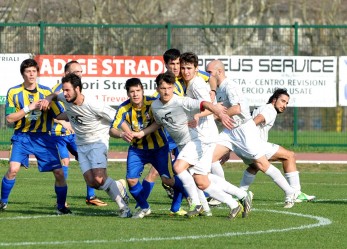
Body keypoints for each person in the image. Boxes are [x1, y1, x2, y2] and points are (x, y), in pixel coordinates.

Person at [135, 71, 252, 220]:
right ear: (157, 88)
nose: (166, 91)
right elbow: (158, 123)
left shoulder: (181, 101)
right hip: (184, 145)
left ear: (173, 88)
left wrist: (218, 110)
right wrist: (142, 133)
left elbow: (203, 104)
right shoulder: (156, 106)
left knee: (178, 168)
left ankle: (196, 204)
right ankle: (237, 201)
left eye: (169, 87)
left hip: (196, 141)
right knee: (202, 181)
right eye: (163, 88)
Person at [206, 59, 300, 209]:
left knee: (262, 165)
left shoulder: (230, 86)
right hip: (230, 131)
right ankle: (220, 194)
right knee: (208, 159)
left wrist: (217, 116)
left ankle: (290, 192)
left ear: (219, 72)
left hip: (244, 129)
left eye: (209, 72)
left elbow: (237, 109)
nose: (207, 75)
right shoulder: (219, 89)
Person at [41, 73, 131, 218]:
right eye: (64, 90)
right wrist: (48, 98)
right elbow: (55, 95)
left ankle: (124, 209)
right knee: (92, 182)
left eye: (67, 90)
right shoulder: (66, 97)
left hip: (97, 142)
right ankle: (118, 185)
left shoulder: (94, 104)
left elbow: (117, 117)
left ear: (77, 89)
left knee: (99, 179)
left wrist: (128, 133)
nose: (64, 93)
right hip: (81, 145)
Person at [109, 78, 188, 218]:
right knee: (131, 180)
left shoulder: (153, 103)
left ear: (143, 91)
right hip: (137, 149)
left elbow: (160, 122)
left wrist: (142, 132)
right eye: (132, 92)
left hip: (159, 148)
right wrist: (121, 134)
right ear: (128, 94)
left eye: (138, 91)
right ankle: (144, 207)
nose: (135, 94)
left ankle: (191, 197)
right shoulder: (123, 109)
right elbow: (112, 129)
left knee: (168, 181)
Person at [0, 58, 71, 215]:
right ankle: (2, 202)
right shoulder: (14, 92)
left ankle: (61, 206)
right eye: (28, 71)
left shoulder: (46, 93)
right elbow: (9, 119)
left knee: (59, 173)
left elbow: (60, 114)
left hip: (44, 138)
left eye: (33, 71)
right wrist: (28, 107)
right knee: (12, 169)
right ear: (23, 74)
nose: (31, 74)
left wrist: (75, 112)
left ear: (37, 73)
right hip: (22, 137)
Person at [238, 88, 316, 202]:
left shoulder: (261, 107)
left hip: (244, 147)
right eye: (283, 101)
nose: (285, 105)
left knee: (255, 166)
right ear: (274, 100)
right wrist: (248, 134)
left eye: (287, 103)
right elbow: (256, 120)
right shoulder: (270, 110)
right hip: (255, 144)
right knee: (289, 156)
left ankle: (240, 192)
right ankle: (296, 193)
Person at [50, 60, 109, 207]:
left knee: (89, 163)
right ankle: (62, 199)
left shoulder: (79, 90)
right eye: (76, 72)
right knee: (65, 161)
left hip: (75, 135)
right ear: (67, 73)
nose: (80, 74)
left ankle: (91, 196)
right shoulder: (59, 91)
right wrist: (64, 122)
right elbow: (54, 113)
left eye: (81, 72)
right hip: (59, 134)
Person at [180, 52, 225, 208]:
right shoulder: (191, 82)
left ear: (196, 69)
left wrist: (198, 115)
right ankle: (204, 207)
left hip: (205, 134)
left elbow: (210, 108)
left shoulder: (197, 84)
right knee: (198, 173)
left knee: (197, 174)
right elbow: (212, 78)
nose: (186, 71)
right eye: (183, 68)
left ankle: (237, 197)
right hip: (199, 133)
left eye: (189, 68)